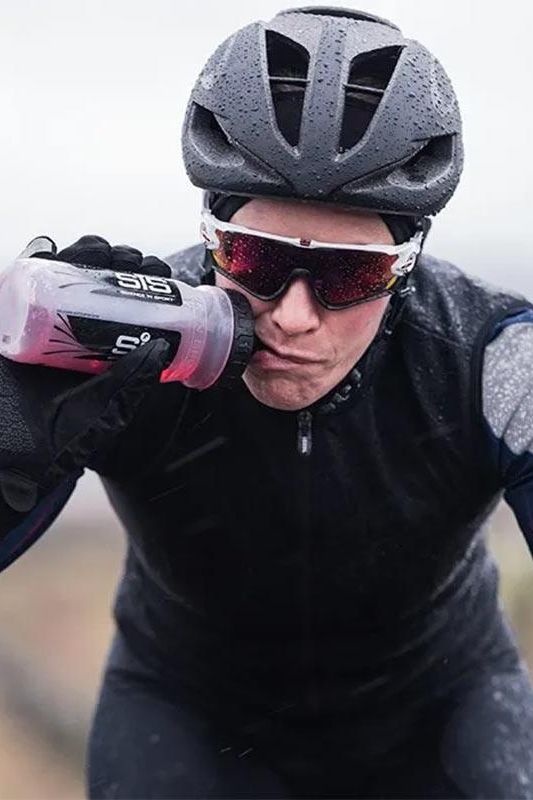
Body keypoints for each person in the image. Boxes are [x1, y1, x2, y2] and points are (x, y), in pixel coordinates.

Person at [2, 6, 533, 798]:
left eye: (349, 274)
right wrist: (10, 439)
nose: (290, 313)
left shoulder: (490, 356)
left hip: (443, 708)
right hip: (187, 718)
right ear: (213, 235)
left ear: (406, 264)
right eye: (253, 258)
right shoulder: (129, 349)